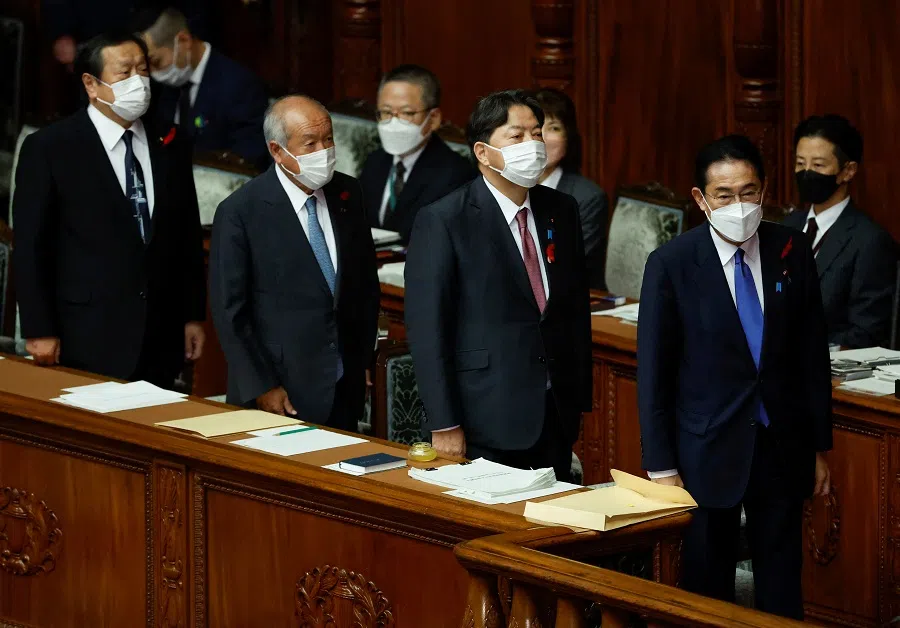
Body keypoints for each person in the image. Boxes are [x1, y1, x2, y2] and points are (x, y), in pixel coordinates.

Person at [637, 135, 832, 618]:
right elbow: (655, 372)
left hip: (781, 446)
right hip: (705, 449)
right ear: (701, 199)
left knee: (781, 584)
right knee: (707, 585)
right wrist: (661, 467)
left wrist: (819, 448)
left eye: (749, 192)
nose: (739, 205)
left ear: (764, 192)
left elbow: (811, 355)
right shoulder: (673, 264)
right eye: (725, 195)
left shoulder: (791, 247)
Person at [405, 89, 592, 481]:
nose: (533, 145)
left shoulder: (561, 209)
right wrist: (444, 422)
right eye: (517, 135)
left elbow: (572, 310)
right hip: (482, 418)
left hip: (553, 413)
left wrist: (576, 402)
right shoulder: (444, 220)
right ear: (483, 151)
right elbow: (428, 331)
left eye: (537, 133)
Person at [14, 31, 206, 388]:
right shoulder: (51, 148)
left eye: (143, 70)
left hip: (160, 335)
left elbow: (187, 236)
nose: (139, 82)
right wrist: (39, 329)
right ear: (91, 83)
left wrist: (193, 316)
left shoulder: (171, 140)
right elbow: (31, 247)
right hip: (85, 334)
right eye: (125, 72)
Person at [209, 96, 380, 430]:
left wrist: (363, 359)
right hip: (279, 392)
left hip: (345, 386)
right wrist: (262, 385)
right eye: (310, 143)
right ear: (277, 150)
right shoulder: (241, 212)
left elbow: (363, 287)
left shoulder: (349, 192)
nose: (324, 150)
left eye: (328, 138)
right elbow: (231, 313)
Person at [784, 115, 897, 348]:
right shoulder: (787, 227)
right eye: (800, 163)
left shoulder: (870, 241)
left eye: (818, 165)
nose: (806, 173)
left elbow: (867, 332)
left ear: (848, 171)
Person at [359, 64, 474, 243]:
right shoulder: (374, 160)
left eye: (407, 113)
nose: (393, 122)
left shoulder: (456, 175)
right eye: (386, 112)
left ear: (433, 119)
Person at [141, 8, 269, 168]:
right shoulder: (167, 87)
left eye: (156, 62)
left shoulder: (240, 86)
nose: (153, 73)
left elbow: (250, 158)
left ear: (184, 40)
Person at [534, 88, 608, 290]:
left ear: (569, 137)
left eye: (554, 128)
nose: (542, 138)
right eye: (535, 129)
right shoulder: (508, 188)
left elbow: (566, 267)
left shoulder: (587, 198)